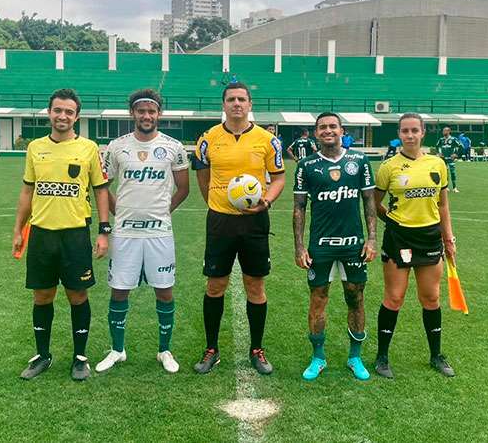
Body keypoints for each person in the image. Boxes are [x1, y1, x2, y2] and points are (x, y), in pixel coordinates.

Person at [12, 88, 110, 381]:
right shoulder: (35, 147)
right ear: (49, 113)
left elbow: (101, 190)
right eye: (58, 110)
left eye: (69, 111)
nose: (63, 116)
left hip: (75, 235)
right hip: (42, 234)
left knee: (77, 295)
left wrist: (104, 231)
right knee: (42, 296)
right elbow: (28, 190)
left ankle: (80, 357)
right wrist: (18, 229)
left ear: (77, 116)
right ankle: (43, 355)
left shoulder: (89, 149)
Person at [191, 82, 286, 375]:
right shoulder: (208, 139)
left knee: (255, 285)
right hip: (220, 221)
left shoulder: (267, 140)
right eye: (231, 99)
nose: (236, 104)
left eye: (241, 99)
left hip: (255, 220)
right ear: (223, 105)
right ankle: (211, 349)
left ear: (250, 104)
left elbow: (279, 177)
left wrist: (266, 202)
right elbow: (203, 175)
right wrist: (216, 204)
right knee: (215, 285)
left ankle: (257, 349)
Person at [96, 89, 190, 374]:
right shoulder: (116, 147)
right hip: (125, 234)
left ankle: (164, 351)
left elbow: (184, 188)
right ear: (132, 114)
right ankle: (117, 350)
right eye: (141, 111)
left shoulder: (174, 147)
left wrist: (163, 211)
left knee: (164, 291)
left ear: (159, 114)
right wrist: (119, 212)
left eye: (152, 111)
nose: (147, 116)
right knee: (119, 291)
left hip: (159, 233)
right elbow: (102, 186)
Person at [293, 112, 378, 381]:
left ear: (342, 131)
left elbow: (368, 202)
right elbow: (299, 207)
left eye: (332, 126)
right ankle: (318, 357)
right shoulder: (306, 165)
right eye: (322, 127)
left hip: (353, 244)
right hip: (320, 245)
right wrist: (299, 247)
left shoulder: (359, 161)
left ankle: (355, 357)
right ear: (316, 133)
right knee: (318, 299)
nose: (327, 131)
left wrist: (372, 239)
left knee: (356, 297)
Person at [373, 112, 457, 379]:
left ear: (423, 133)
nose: (409, 135)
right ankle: (382, 356)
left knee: (430, 297)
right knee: (394, 297)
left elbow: (443, 205)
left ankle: (436, 355)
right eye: (404, 131)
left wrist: (449, 238)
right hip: (399, 238)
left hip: (430, 237)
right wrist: (395, 221)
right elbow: (375, 203)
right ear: (399, 134)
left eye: (414, 131)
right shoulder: (389, 167)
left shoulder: (438, 164)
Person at [435, 127, 462, 193]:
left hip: (451, 159)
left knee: (452, 173)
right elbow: (437, 146)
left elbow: (460, 146)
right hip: (443, 159)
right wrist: (439, 153)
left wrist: (456, 154)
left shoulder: (453, 139)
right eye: (443, 130)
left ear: (449, 131)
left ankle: (454, 187)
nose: (443, 132)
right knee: (445, 173)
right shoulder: (441, 139)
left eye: (445, 130)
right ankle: (446, 187)